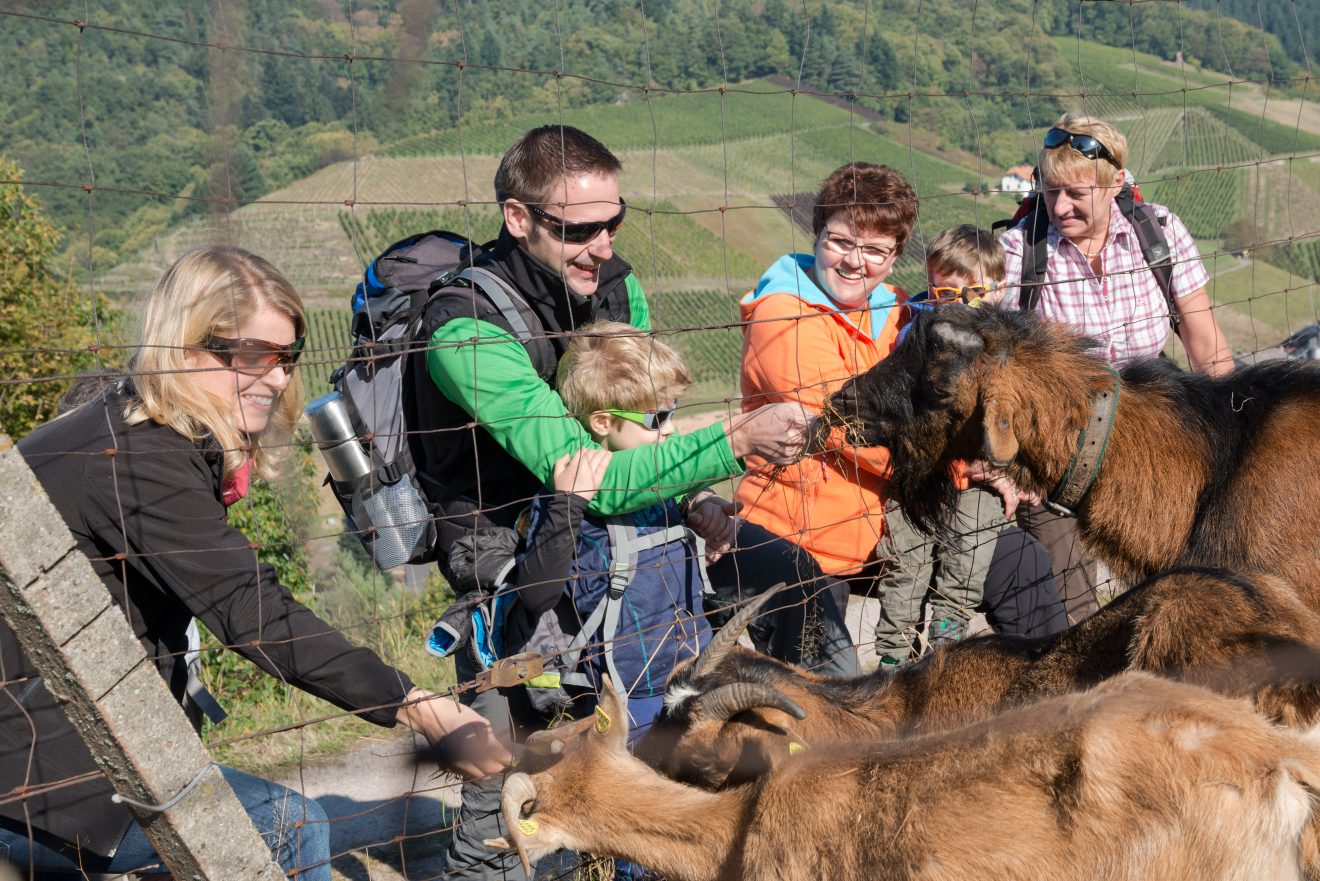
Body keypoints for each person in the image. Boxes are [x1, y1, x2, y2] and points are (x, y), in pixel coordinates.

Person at [414, 126, 858, 881]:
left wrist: (694, 495)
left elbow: (640, 425)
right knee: (512, 774)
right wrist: (738, 434)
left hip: (636, 539)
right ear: (518, 218)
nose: (601, 244)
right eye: (577, 229)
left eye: (613, 221)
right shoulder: (466, 330)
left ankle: (833, 774)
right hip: (521, 559)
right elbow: (593, 475)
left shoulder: (617, 285)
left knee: (794, 580)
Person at [0, 247, 510, 880]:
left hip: (65, 739)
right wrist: (418, 705)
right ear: (182, 345)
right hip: (36, 768)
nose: (273, 377)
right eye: (249, 356)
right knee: (287, 828)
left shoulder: (130, 426)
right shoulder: (138, 460)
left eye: (286, 357)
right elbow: (252, 611)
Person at [737, 164, 1067, 665]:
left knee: (1023, 562)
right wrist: (966, 468)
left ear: (895, 257)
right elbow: (843, 431)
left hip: (898, 514)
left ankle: (1050, 689)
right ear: (817, 234)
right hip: (809, 529)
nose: (854, 262)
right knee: (837, 684)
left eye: (875, 250)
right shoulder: (783, 316)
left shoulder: (900, 311)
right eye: (841, 241)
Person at [998, 113, 1234, 623]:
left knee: (1180, 579)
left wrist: (1234, 427)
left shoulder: (1159, 234)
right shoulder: (1020, 252)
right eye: (1049, 190)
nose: (1060, 207)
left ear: (1116, 184)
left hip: (1156, 439)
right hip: (1059, 449)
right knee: (1070, 598)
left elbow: (1205, 345)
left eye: (1076, 194)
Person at [873, 225, 1062, 664]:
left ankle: (947, 639)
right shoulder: (913, 334)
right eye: (943, 294)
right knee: (907, 560)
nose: (956, 306)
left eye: (972, 293)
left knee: (970, 553)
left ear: (999, 291)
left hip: (984, 476)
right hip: (920, 474)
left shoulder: (1013, 345)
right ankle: (892, 655)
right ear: (929, 282)